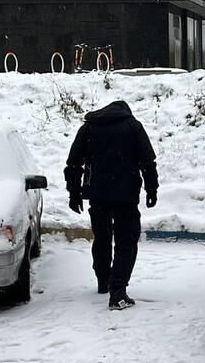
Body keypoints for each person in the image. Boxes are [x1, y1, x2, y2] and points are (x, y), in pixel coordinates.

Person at [64, 100, 159, 311]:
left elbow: (73, 163)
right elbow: (148, 161)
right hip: (125, 196)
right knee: (126, 241)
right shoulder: (133, 127)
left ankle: (103, 279)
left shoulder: (89, 127)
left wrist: (74, 193)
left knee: (102, 237)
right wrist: (151, 190)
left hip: (97, 194)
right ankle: (118, 292)